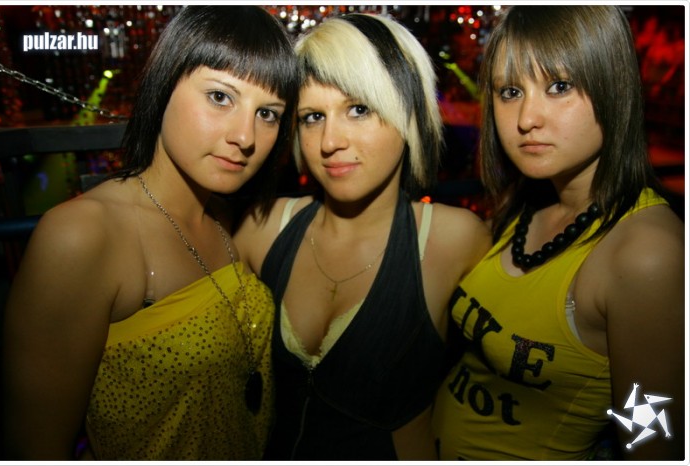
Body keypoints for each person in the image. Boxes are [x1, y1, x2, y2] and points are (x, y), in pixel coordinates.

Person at [1, 5, 298, 460]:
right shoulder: (82, 235)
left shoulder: (226, 217)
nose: (246, 136)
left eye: (268, 114)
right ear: (164, 84)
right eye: (220, 97)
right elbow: (34, 449)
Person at [431, 5, 685, 461]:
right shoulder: (526, 202)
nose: (527, 118)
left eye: (559, 86)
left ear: (614, 88)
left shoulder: (646, 253)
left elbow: (650, 441)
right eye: (510, 91)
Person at [234, 13, 491, 460]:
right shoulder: (262, 228)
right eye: (313, 117)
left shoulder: (455, 240)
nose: (329, 141)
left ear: (407, 111)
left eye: (358, 109)